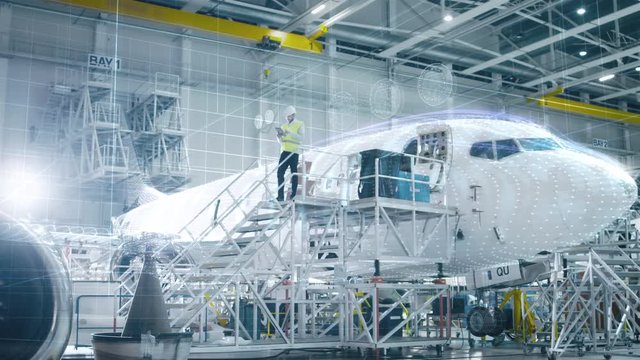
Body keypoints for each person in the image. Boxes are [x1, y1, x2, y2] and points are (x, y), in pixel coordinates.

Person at [276, 105, 304, 202]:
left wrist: (290, 133)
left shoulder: (300, 124)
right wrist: (279, 137)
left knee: (294, 173)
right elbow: (281, 142)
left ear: (293, 115)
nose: (288, 118)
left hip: (294, 152)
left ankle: (293, 196)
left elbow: (302, 138)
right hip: (284, 151)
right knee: (280, 173)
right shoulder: (284, 126)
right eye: (287, 117)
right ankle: (280, 196)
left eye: (289, 116)